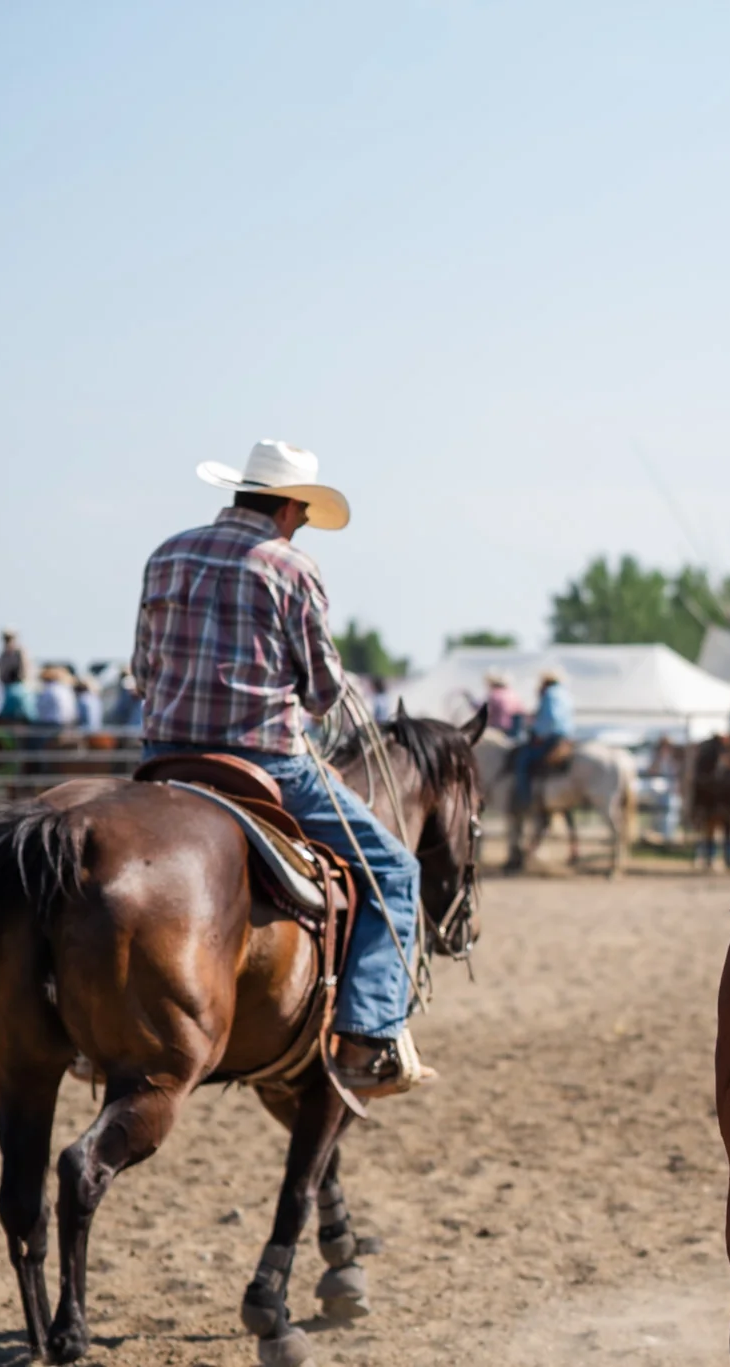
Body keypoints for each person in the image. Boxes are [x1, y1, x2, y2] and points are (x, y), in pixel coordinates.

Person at [134, 438, 429, 1095]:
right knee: (394, 872)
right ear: (291, 507)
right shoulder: (291, 567)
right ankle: (370, 1033)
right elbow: (322, 690)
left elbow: (142, 670)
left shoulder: (167, 553)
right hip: (264, 760)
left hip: (165, 759)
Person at [513, 667, 575, 817]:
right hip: (565, 738)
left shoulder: (549, 694)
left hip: (551, 738)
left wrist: (536, 730)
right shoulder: (565, 694)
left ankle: (525, 800)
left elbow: (550, 719)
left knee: (522, 761)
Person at [482, 670, 524, 737]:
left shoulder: (494, 694)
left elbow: (486, 713)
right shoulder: (512, 693)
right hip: (516, 731)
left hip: (501, 729)